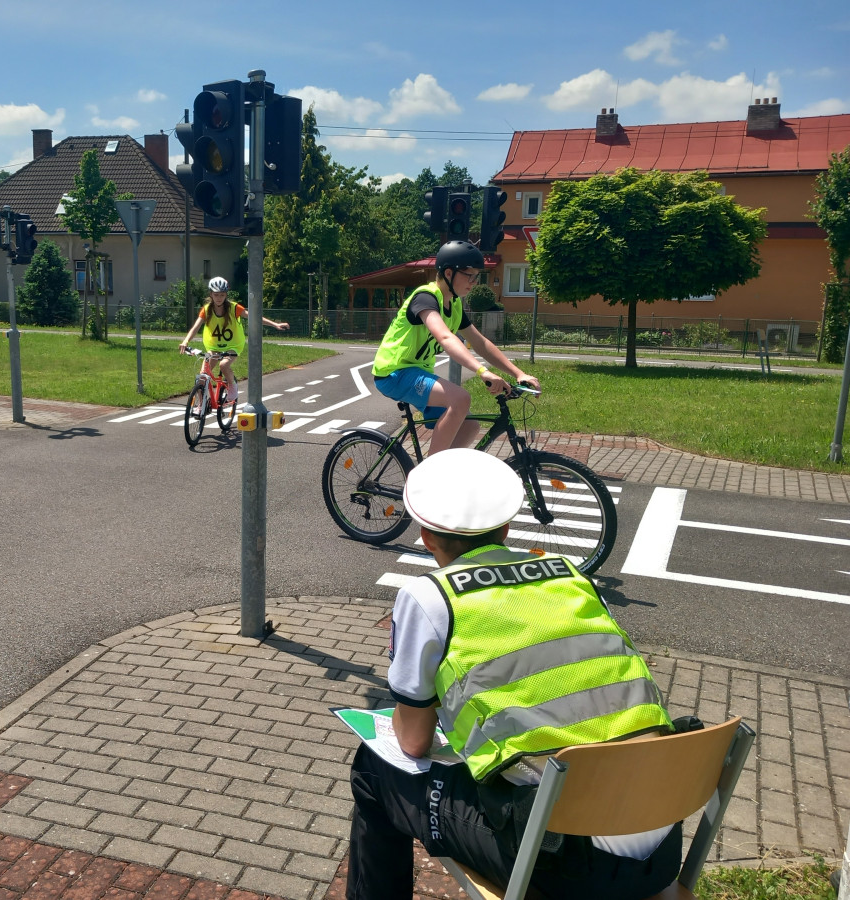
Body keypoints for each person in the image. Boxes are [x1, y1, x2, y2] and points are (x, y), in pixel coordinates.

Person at [348, 449, 682, 900]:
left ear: (426, 537)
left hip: (564, 859)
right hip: (660, 847)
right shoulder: (569, 575)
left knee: (374, 769)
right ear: (506, 529)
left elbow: (412, 743)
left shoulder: (430, 597)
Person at [373, 241, 540, 455]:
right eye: (469, 276)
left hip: (417, 373)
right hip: (394, 373)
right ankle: (426, 478)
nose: (474, 282)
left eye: (476, 277)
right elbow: (445, 337)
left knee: (470, 426)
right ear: (449, 273)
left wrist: (518, 373)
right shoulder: (425, 298)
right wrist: (482, 371)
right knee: (460, 398)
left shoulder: (455, 305)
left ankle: (441, 473)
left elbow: (481, 343)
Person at [178, 276, 289, 405]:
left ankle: (232, 385)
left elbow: (253, 317)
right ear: (211, 294)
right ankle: (201, 405)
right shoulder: (207, 309)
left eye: (222, 295)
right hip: (214, 346)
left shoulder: (233, 308)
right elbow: (195, 327)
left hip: (233, 345)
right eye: (216, 295)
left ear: (226, 295)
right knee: (202, 376)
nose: (219, 298)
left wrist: (275, 325)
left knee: (224, 365)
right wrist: (186, 341)